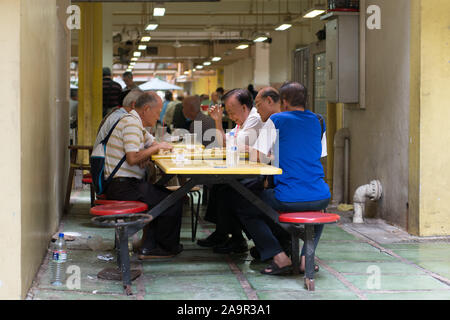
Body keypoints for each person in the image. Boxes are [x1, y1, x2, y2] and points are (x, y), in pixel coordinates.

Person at [234, 81, 330, 275]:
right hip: (321, 194)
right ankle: (306, 259)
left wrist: (250, 150)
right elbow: (319, 154)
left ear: (284, 101)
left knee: (244, 205)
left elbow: (258, 157)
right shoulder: (319, 121)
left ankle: (279, 257)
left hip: (287, 197)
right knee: (318, 210)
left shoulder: (277, 120)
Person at [104, 92, 184, 259]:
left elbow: (154, 143)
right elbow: (133, 158)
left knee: (163, 196)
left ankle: (150, 244)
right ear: (146, 109)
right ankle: (163, 248)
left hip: (124, 184)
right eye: (158, 111)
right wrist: (149, 151)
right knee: (172, 200)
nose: (159, 116)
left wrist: (148, 151)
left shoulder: (136, 124)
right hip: (122, 186)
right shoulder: (131, 124)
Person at [197, 88, 264, 254]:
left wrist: (229, 139)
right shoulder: (241, 122)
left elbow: (232, 145)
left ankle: (237, 239)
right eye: (228, 112)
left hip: (259, 173)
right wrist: (218, 121)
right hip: (243, 169)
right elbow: (224, 144)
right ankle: (223, 233)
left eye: (231, 112)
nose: (231, 116)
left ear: (244, 107)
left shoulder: (254, 119)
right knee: (218, 186)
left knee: (227, 190)